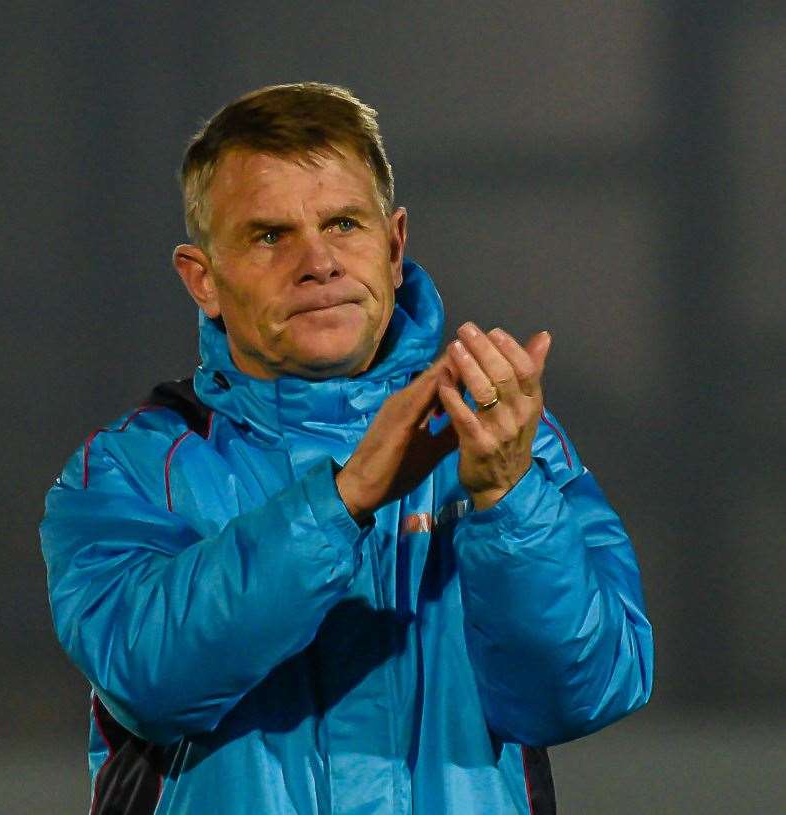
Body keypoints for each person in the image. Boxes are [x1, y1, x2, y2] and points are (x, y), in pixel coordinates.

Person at [40, 81, 654, 815]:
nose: (318, 262)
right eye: (270, 235)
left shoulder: (508, 441)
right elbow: (150, 677)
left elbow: (582, 691)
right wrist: (342, 500)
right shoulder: (129, 470)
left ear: (393, 247)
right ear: (202, 279)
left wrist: (509, 499)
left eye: (342, 224)